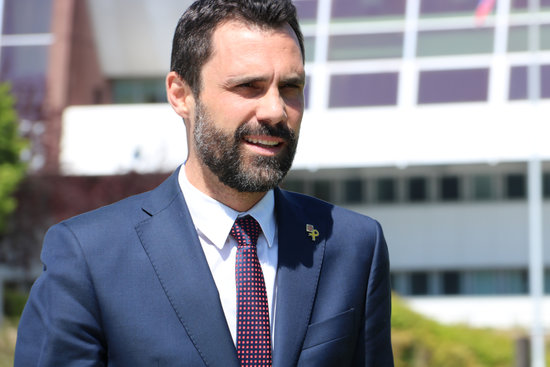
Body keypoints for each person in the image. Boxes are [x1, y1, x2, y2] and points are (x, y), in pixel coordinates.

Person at [14, 0, 394, 366]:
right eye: (249, 86)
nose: (275, 110)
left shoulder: (353, 246)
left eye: (290, 87)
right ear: (181, 94)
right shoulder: (89, 257)